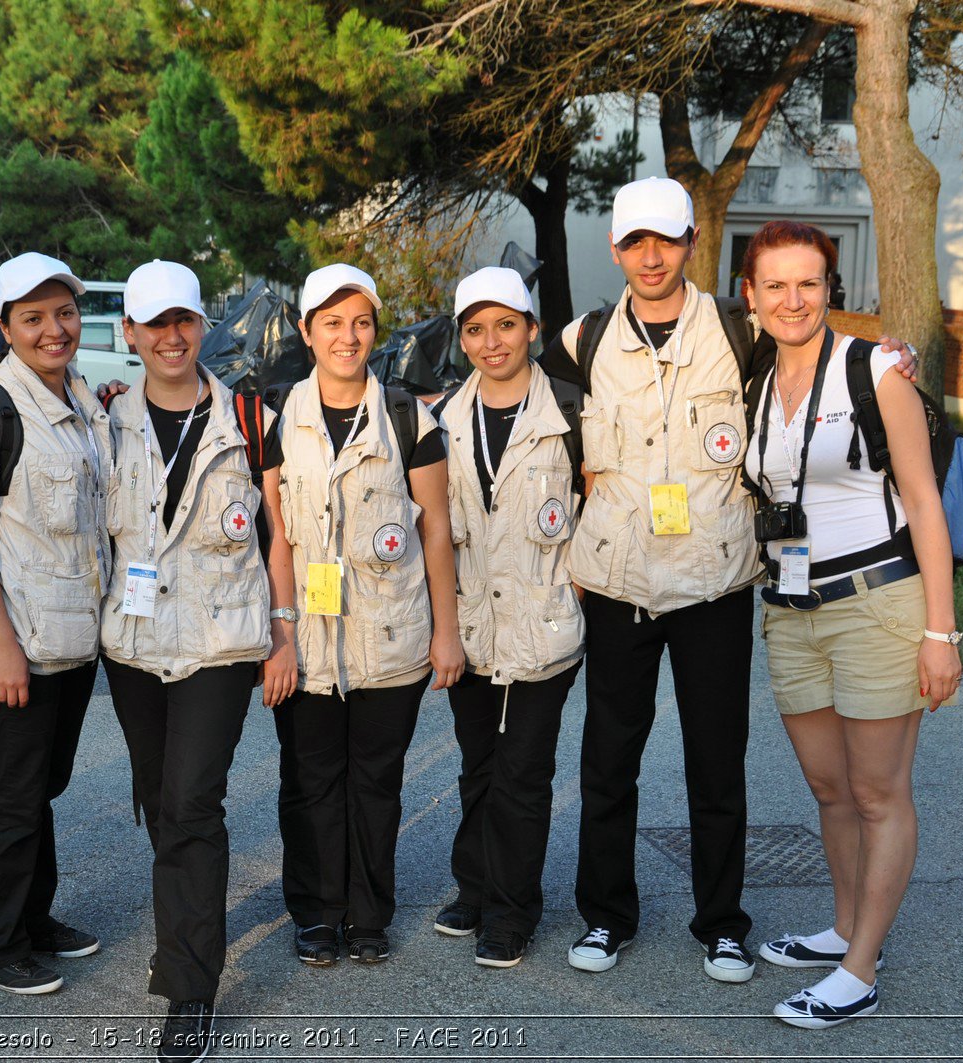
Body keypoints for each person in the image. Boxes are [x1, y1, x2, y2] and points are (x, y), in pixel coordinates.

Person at [540, 178, 919, 985]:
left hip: (715, 579)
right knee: (610, 759)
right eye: (635, 241)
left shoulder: (740, 329)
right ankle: (606, 916)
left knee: (718, 762)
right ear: (615, 249)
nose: (651, 256)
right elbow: (520, 404)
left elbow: (814, 345)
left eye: (667, 240)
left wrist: (894, 355)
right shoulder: (583, 338)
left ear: (690, 245)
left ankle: (722, 925)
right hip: (619, 583)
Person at [738, 221, 960, 1028]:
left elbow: (925, 502)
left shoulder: (875, 370)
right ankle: (841, 927)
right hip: (790, 609)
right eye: (775, 285)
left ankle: (860, 968)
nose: (792, 299)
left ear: (831, 288)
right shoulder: (756, 381)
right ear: (750, 295)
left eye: (809, 283)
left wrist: (941, 632)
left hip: (878, 602)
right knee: (829, 787)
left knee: (877, 791)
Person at [260, 263, 463, 967]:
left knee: (376, 786)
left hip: (391, 637)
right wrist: (280, 634)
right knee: (310, 781)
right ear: (307, 331)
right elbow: (275, 535)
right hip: (308, 643)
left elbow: (436, 528)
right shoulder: (277, 419)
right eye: (333, 323)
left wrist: (446, 631)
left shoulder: (410, 417)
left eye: (362, 323)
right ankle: (316, 912)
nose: (349, 337)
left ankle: (368, 914)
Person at [98, 259, 272, 1060]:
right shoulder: (102, 423)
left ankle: (189, 988)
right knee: (160, 802)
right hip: (134, 645)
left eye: (184, 320)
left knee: (193, 802)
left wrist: (290, 634)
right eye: (153, 323)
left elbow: (285, 536)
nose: (171, 336)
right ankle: (183, 932)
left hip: (219, 640)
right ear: (129, 333)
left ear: (203, 325)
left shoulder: (249, 416)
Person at [0, 252, 112, 996]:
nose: (55, 329)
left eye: (65, 313)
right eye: (34, 317)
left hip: (71, 636)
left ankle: (32, 918)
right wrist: (3, 648)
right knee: (12, 792)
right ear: (6, 327)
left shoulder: (82, 400)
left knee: (40, 786)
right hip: (13, 639)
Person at [432, 267, 586, 969]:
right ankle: (477, 883)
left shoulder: (573, 413)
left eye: (505, 325)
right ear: (462, 339)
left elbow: (600, 506)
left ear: (532, 329)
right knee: (478, 765)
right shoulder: (441, 422)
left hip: (544, 624)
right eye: (475, 329)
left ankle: (512, 909)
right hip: (470, 625)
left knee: (523, 771)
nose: (491, 342)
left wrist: (574, 594)